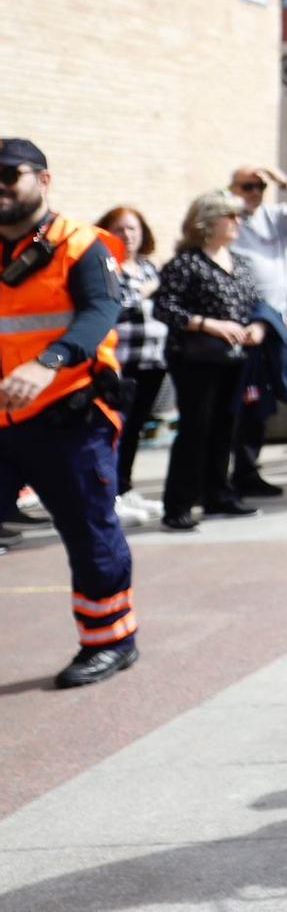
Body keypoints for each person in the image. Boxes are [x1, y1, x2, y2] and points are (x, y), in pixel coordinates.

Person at [0, 140, 139, 687]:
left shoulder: (81, 245)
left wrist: (48, 362)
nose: (2, 186)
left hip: (68, 416)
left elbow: (102, 310)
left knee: (88, 531)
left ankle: (111, 642)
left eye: (12, 174)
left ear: (44, 180)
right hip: (4, 419)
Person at [153, 190, 265, 530]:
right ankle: (179, 504)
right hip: (196, 358)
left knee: (225, 428)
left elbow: (256, 303)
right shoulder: (186, 264)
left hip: (234, 357)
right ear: (206, 222)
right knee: (196, 428)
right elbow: (165, 307)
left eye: (238, 217)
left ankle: (219, 495)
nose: (237, 222)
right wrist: (208, 324)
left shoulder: (241, 262)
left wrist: (258, 326)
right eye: (229, 216)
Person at [225, 164, 287, 499]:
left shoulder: (274, 217)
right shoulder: (227, 220)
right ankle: (221, 473)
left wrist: (285, 183)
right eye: (247, 186)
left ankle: (247, 470)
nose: (254, 193)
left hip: (273, 319)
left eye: (259, 187)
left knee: (262, 400)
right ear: (233, 188)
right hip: (243, 319)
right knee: (240, 398)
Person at [98, 206, 167, 525]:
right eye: (120, 229)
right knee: (118, 429)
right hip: (121, 360)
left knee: (136, 428)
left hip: (152, 359)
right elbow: (114, 310)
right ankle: (109, 494)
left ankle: (125, 488)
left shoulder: (148, 267)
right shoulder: (105, 266)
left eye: (133, 229)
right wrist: (142, 291)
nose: (128, 235)